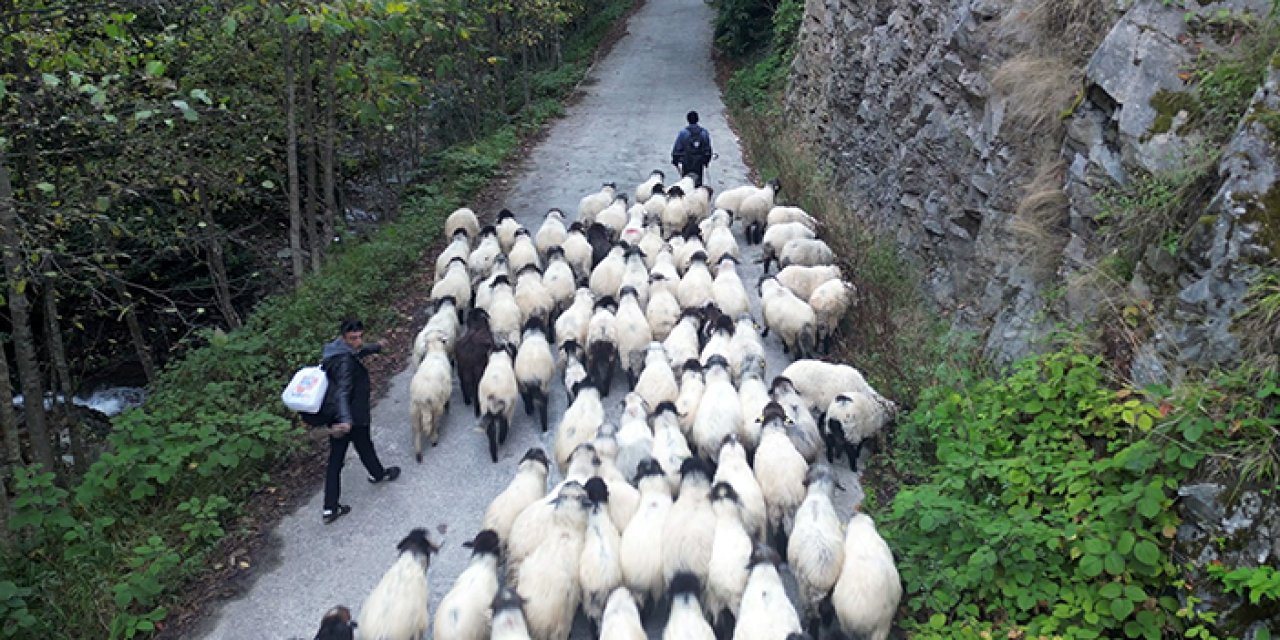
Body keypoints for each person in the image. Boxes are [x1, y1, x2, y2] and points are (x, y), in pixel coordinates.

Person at [320, 319, 400, 524]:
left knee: (336, 460)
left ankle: (330, 508)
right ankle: (378, 474)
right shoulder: (345, 361)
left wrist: (377, 347)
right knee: (363, 446)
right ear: (344, 338)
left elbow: (358, 352)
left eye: (360, 336)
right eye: (353, 338)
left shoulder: (335, 352)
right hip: (351, 416)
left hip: (335, 416)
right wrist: (347, 420)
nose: (358, 341)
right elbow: (342, 392)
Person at [671, 110, 713, 187]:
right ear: (697, 119)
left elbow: (677, 148)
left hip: (686, 162)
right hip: (699, 163)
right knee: (698, 182)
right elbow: (708, 149)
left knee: (686, 184)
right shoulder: (704, 132)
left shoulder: (683, 133)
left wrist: (675, 160)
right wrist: (706, 161)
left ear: (688, 120)